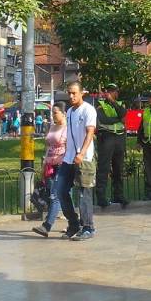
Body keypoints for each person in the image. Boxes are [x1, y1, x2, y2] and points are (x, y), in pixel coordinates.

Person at [62, 82, 97, 240]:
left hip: (84, 158)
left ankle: (88, 227)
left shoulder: (88, 110)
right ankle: (73, 223)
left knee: (84, 193)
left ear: (82, 93)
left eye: (74, 93)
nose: (71, 96)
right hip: (68, 158)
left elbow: (90, 133)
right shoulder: (69, 111)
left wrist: (82, 153)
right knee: (60, 191)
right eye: (69, 93)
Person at [94, 83, 130, 211]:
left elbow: (123, 114)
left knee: (118, 170)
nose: (112, 93)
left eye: (114, 91)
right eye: (109, 91)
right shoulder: (100, 105)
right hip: (106, 138)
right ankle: (101, 197)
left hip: (119, 138)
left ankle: (118, 195)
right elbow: (103, 120)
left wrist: (113, 103)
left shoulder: (120, 104)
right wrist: (118, 119)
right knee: (103, 169)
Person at [32, 104, 67, 234]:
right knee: (65, 195)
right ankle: (74, 222)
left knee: (55, 195)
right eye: (52, 113)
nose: (53, 116)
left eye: (56, 113)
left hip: (62, 165)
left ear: (64, 113)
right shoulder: (53, 126)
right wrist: (44, 164)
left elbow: (69, 148)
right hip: (50, 165)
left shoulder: (67, 128)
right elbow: (48, 147)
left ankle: (47, 225)